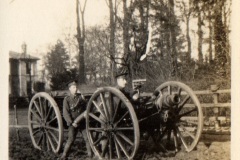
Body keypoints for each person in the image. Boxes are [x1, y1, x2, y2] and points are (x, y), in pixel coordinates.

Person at [60, 80, 92, 159]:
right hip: (73, 123)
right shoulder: (66, 99)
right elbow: (65, 113)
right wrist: (71, 122)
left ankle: (90, 155)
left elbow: (86, 107)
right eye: (73, 87)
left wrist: (84, 99)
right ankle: (64, 155)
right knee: (71, 139)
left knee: (87, 138)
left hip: (82, 122)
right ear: (70, 89)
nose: (75, 88)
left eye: (76, 87)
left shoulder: (80, 97)